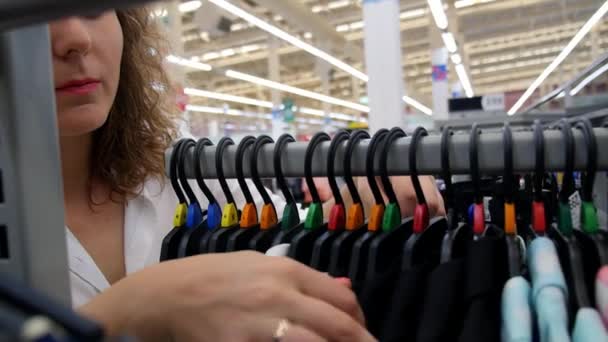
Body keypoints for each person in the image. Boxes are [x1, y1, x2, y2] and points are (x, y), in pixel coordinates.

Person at [51, 7, 444, 341]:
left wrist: (350, 212)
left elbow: (272, 230)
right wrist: (132, 309)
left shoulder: (175, 158)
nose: (75, 38)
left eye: (91, 5)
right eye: (32, 16)